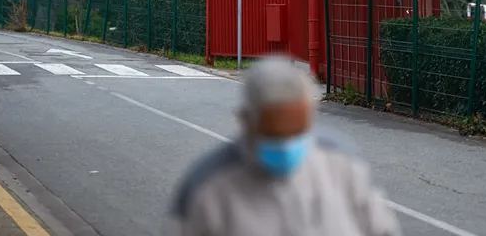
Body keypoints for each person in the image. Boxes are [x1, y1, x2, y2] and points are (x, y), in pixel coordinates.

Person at [169, 56, 401, 236]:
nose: (286, 144)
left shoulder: (341, 165)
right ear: (246, 120)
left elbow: (381, 228)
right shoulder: (208, 187)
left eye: (297, 131)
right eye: (275, 134)